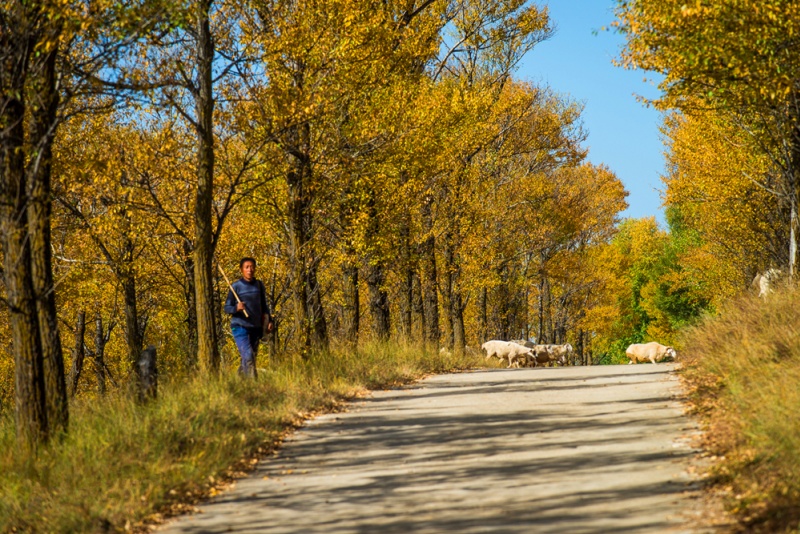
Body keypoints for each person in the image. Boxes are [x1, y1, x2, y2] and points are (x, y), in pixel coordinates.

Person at [223, 257, 273, 377]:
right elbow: (226, 308)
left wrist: (269, 320)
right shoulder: (235, 287)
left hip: (255, 327)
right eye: (247, 267)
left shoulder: (259, 286)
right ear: (242, 270)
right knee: (248, 356)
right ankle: (253, 386)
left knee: (250, 358)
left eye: (252, 267)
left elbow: (264, 305)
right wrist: (236, 308)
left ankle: (240, 383)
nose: (250, 270)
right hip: (239, 326)